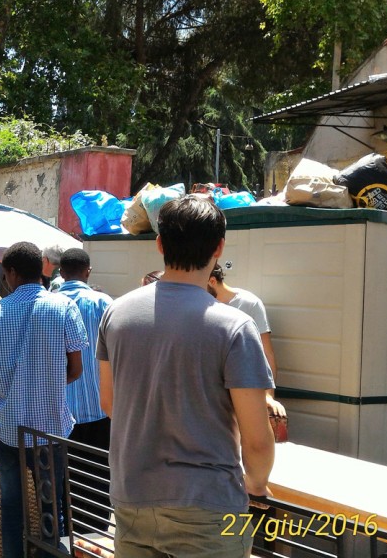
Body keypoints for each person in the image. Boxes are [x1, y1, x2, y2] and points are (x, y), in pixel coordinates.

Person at [97, 195, 275, 557]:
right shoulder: (236, 327)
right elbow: (256, 439)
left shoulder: (116, 313)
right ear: (219, 247)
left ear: (160, 243)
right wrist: (255, 485)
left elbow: (110, 402)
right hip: (207, 508)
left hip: (132, 499)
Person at [0, 241, 88, 558]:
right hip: (50, 428)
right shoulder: (64, 308)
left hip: (8, 428)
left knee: (11, 503)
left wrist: (9, 382)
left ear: (10, 273)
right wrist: (47, 381)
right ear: (42, 270)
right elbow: (76, 369)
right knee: (52, 504)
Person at [53, 248, 113, 533]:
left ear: (61, 272)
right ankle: (93, 542)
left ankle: (66, 541)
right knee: (98, 483)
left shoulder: (48, 305)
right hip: (99, 410)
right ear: (88, 271)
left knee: (62, 485)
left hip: (57, 414)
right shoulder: (104, 303)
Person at [208, 264, 288, 417]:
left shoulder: (250, 304)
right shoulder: (202, 305)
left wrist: (268, 395)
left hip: (244, 389)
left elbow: (266, 353)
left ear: (212, 281)